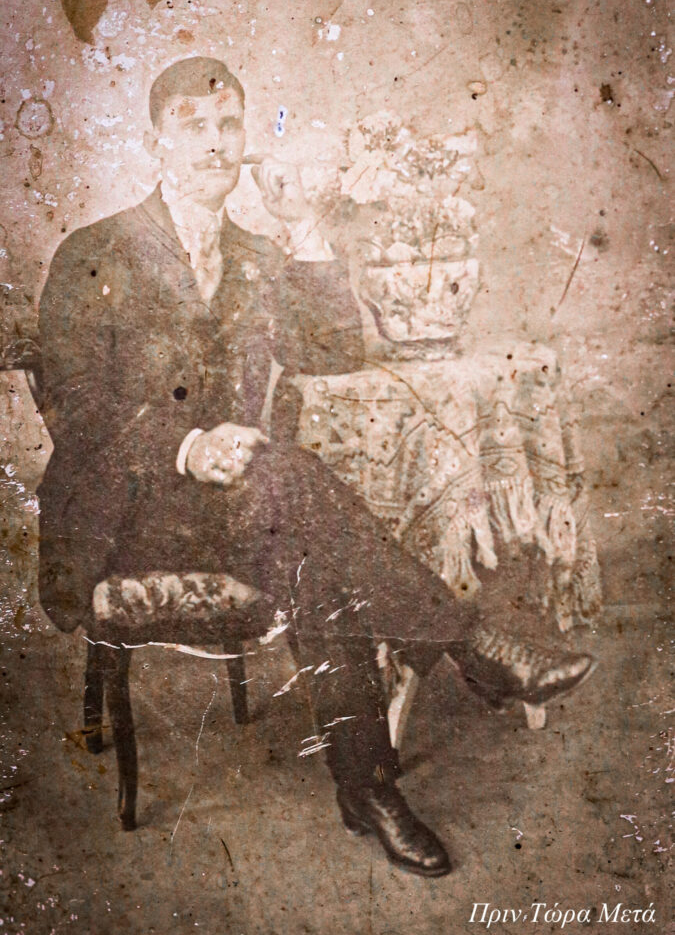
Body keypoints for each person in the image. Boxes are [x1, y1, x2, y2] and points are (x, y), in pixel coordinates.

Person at [36, 57, 594, 878]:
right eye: (194, 126)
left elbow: (332, 354)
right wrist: (188, 448)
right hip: (123, 515)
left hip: (240, 505)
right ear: (155, 142)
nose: (216, 144)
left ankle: (371, 786)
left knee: (309, 546)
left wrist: (302, 232)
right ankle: (463, 656)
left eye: (229, 125)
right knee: (288, 484)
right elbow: (74, 406)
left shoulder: (257, 255)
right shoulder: (95, 251)